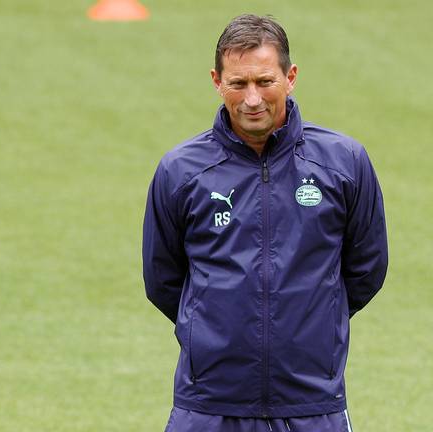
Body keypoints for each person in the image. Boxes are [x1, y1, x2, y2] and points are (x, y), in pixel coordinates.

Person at [142, 14, 387, 432]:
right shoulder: (181, 171)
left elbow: (366, 270)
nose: (252, 99)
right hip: (208, 405)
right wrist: (212, 329)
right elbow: (163, 279)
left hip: (312, 402)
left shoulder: (343, 163)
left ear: (290, 77)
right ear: (217, 81)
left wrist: (311, 326)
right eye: (238, 84)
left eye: (264, 81)